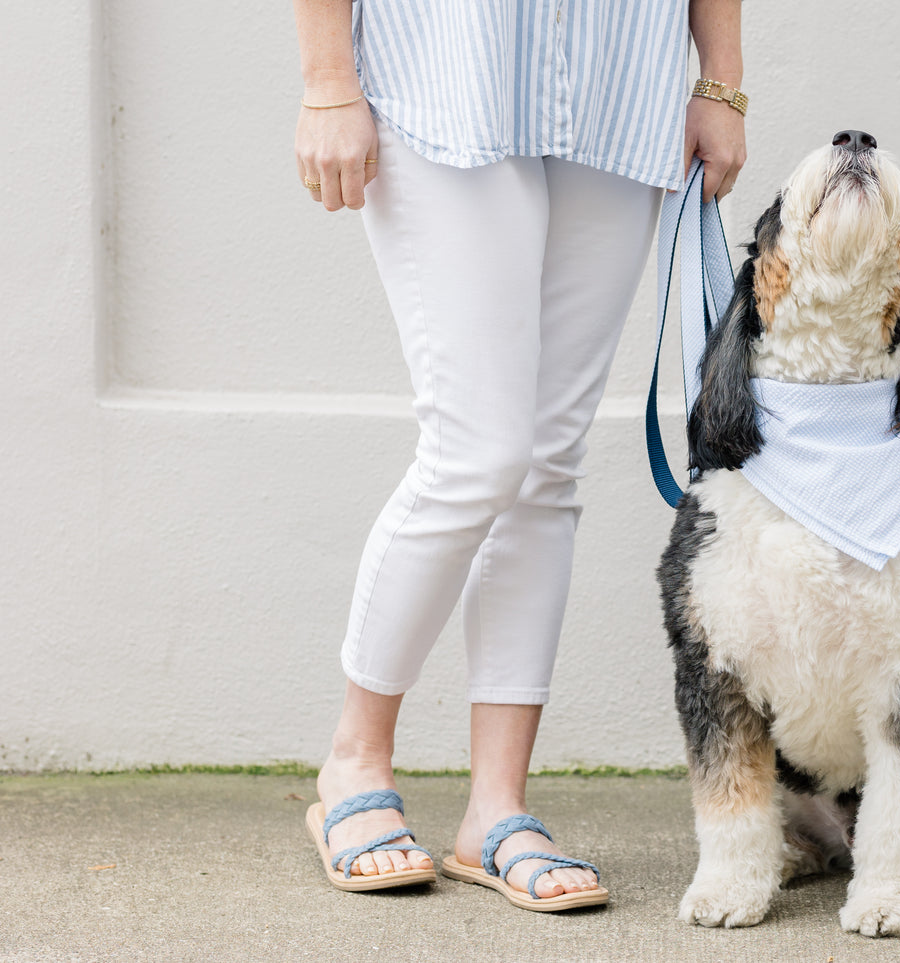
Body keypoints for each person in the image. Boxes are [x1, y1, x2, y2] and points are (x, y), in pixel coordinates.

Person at [292, 0, 746, 907]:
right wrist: (327, 82)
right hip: (446, 76)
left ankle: (494, 810)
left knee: (547, 462)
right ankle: (353, 761)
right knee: (479, 450)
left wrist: (719, 80)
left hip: (620, 86)